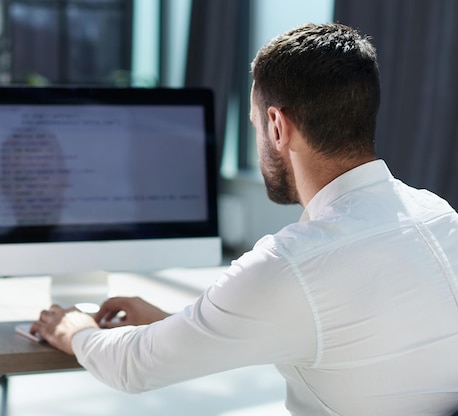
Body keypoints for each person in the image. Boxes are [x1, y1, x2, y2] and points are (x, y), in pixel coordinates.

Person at [30, 23, 458, 415]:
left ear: (277, 126)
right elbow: (331, 328)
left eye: (254, 124)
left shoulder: (289, 264)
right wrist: (184, 323)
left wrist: (76, 331)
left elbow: (132, 367)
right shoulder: (440, 216)